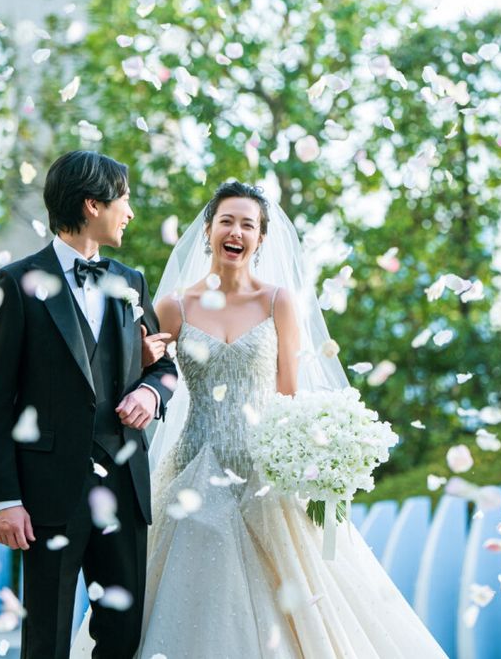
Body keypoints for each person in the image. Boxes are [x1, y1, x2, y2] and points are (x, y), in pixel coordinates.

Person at [135, 181, 448, 658]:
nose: (236, 232)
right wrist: (142, 359)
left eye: (248, 225)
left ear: (261, 237)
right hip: (194, 465)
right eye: (226, 221)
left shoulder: (277, 301)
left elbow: (289, 392)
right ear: (208, 230)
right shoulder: (174, 306)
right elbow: (152, 374)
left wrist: (312, 456)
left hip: (264, 474)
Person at [0, 150, 177, 659]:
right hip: (47, 494)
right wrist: (4, 499)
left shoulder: (130, 281)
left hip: (124, 485)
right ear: (93, 204)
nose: (130, 212)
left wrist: (150, 391)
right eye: (123, 199)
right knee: (46, 641)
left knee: (123, 637)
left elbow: (164, 366)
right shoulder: (16, 283)